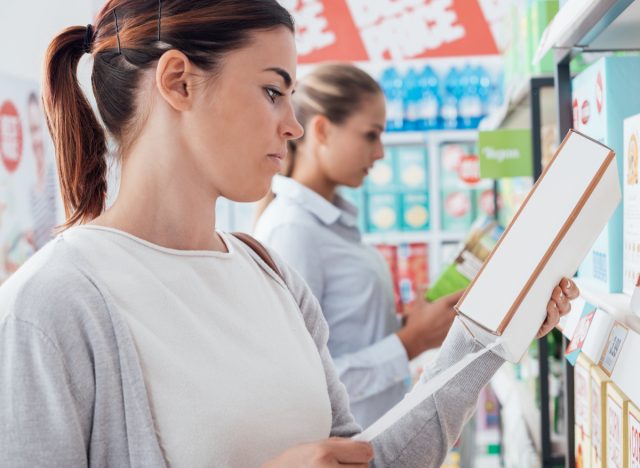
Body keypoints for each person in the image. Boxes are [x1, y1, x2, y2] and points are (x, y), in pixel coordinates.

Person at [0, 1, 577, 467]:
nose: (294, 125)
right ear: (178, 81)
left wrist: (486, 338)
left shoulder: (271, 276)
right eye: (273, 91)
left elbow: (365, 460)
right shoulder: (52, 305)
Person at [254, 63, 460, 427]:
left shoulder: (330, 223)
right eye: (371, 135)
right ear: (322, 130)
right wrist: (409, 341)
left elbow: (340, 334)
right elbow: (302, 381)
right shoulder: (293, 231)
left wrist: (403, 323)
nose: (380, 153)